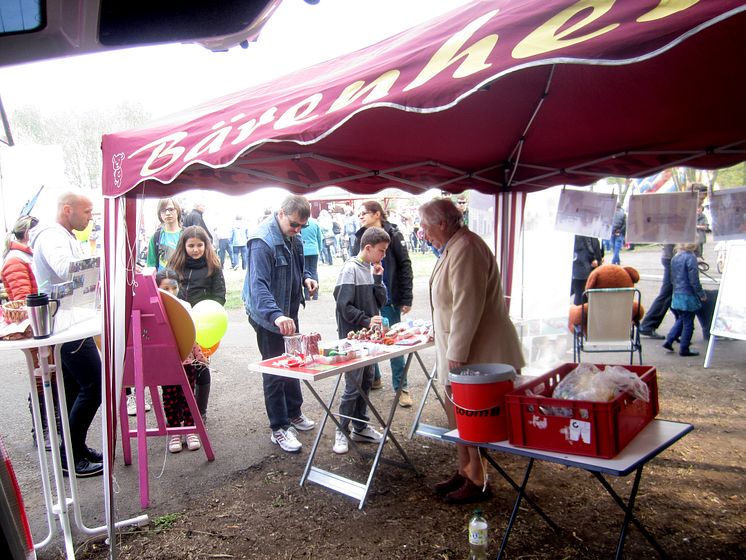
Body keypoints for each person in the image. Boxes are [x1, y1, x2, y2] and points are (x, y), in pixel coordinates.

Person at [419, 198, 524, 504]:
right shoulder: (456, 245)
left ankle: (477, 480)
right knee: (458, 415)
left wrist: (457, 352)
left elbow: (468, 303)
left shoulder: (466, 248)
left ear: (442, 223)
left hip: (476, 351)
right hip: (462, 347)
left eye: (425, 226)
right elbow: (451, 301)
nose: (423, 233)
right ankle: (465, 470)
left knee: (470, 416)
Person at [29, 192, 103, 477]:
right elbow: (66, 269)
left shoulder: (60, 234)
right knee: (94, 384)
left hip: (70, 319)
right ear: (67, 209)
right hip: (65, 321)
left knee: (74, 388)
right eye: (86, 212)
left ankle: (75, 448)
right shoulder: (52, 237)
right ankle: (69, 455)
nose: (89, 217)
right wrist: (100, 259)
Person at [242, 195, 318, 453]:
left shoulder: (294, 235)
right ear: (281, 213)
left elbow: (300, 265)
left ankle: (294, 412)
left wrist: (307, 277)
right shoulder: (262, 241)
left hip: (289, 309)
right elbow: (258, 287)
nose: (298, 231)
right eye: (294, 225)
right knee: (275, 368)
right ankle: (279, 427)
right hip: (268, 316)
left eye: (302, 227)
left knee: (294, 360)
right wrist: (276, 315)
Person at [2, 215, 63, 451]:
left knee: (51, 377)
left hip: (42, 326)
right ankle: (44, 429)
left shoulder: (24, 255)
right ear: (28, 234)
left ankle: (53, 426)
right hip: (34, 329)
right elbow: (23, 300)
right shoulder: (16, 260)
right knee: (41, 379)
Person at [331, 227, 390, 454]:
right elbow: (344, 307)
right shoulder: (349, 270)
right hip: (352, 339)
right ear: (368, 248)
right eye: (381, 251)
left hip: (369, 339)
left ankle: (360, 426)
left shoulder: (370, 268)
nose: (383, 256)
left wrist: (378, 278)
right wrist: (366, 320)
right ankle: (341, 429)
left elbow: (381, 301)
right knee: (353, 385)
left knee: (366, 380)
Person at [352, 201, 414, 405]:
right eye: (358, 214)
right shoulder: (359, 236)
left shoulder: (393, 234)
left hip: (390, 296)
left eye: (364, 213)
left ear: (377, 214)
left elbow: (405, 265)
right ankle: (374, 378)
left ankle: (401, 388)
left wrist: (406, 298)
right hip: (366, 297)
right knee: (368, 339)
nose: (360, 216)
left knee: (393, 342)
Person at [168, 226, 226, 426]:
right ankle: (179, 413)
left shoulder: (213, 266)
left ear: (206, 245)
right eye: (191, 245)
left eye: (199, 245)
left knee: (200, 367)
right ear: (183, 246)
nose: (195, 249)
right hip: (178, 325)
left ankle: (200, 411)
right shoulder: (174, 266)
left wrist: (205, 311)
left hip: (204, 326)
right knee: (178, 370)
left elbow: (220, 296)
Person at [155, 269, 207, 453]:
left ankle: (191, 430)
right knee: (170, 396)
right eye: (165, 288)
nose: (170, 292)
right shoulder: (153, 309)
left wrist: (199, 356)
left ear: (179, 287)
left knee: (188, 394)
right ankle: (175, 431)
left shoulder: (185, 305)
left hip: (186, 359)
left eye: (174, 287)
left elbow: (191, 333)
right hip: (165, 362)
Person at [663, 243, 706, 357]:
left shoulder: (676, 256)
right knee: (689, 324)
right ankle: (684, 348)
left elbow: (673, 277)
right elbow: (694, 280)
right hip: (687, 295)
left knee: (682, 319)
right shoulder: (690, 257)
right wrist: (701, 293)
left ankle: (670, 339)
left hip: (677, 293)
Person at [639, 244, 675, 339]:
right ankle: (648, 324)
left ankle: (678, 329)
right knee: (667, 294)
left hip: (672, 256)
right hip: (672, 256)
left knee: (671, 294)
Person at [146, 198, 183, 271]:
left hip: (183, 280)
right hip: (162, 281)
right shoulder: (156, 237)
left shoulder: (186, 234)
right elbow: (151, 266)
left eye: (171, 209)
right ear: (159, 214)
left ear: (177, 210)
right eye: (163, 210)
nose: (167, 213)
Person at [570, 235, 603, 305]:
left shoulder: (593, 232)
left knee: (588, 296)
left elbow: (596, 246)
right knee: (581, 296)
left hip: (590, 269)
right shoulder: (578, 233)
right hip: (581, 268)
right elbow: (580, 250)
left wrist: (598, 259)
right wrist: (593, 259)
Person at [300, 217, 323, 301]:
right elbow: (319, 238)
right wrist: (319, 249)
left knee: (305, 271)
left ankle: (307, 295)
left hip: (303, 250)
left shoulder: (300, 222)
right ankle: (315, 294)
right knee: (314, 271)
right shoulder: (315, 223)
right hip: (314, 250)